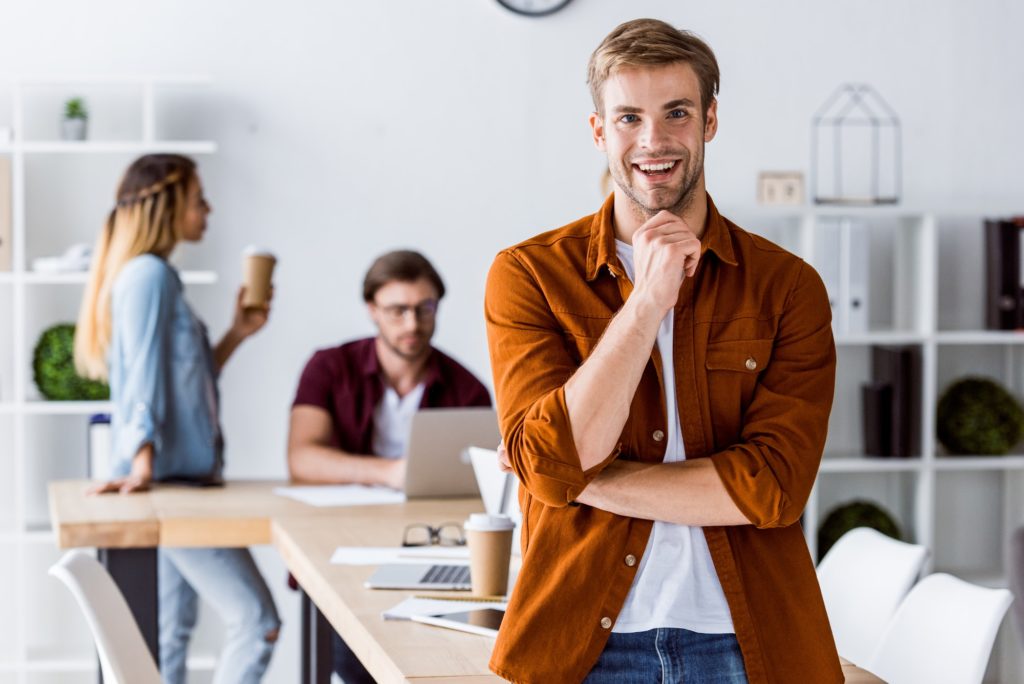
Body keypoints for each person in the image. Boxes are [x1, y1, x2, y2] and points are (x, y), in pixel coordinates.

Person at [484, 18, 841, 684]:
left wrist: (589, 481)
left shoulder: (788, 287)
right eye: (628, 118)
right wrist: (646, 303)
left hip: (746, 642)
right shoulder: (529, 276)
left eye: (676, 112)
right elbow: (554, 467)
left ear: (709, 120)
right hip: (579, 644)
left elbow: (772, 491)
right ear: (599, 132)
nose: (653, 141)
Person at [75, 154, 280, 684]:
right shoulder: (150, 276)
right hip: (170, 484)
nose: (208, 210)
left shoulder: (152, 276)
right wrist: (142, 462)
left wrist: (237, 333)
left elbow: (181, 379)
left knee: (169, 635)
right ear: (167, 205)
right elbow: (141, 374)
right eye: (198, 199)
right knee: (257, 621)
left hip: (176, 480)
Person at [287, 249, 491, 681]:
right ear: (372, 311)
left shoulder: (467, 387)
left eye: (424, 308)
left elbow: (487, 479)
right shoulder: (329, 367)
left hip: (428, 543)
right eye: (397, 310)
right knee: (351, 659)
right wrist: (389, 473)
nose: (412, 324)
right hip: (341, 544)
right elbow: (302, 457)